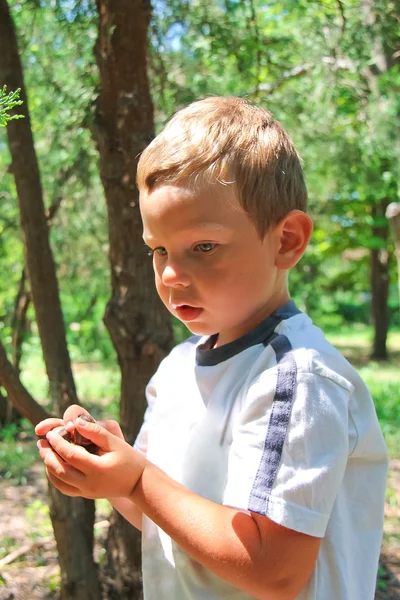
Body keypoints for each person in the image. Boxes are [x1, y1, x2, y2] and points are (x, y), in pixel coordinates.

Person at [36, 96, 388, 600]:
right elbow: (166, 519)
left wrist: (137, 481)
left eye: (203, 247)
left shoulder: (297, 379)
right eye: (158, 249)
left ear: (287, 240)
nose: (171, 275)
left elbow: (274, 569)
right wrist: (113, 476)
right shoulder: (178, 367)